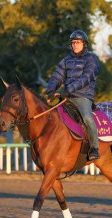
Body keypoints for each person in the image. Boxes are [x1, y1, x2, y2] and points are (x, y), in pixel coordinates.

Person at [46, 29, 100, 160]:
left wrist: (68, 89)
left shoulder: (91, 60)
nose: (75, 45)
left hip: (83, 97)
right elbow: (57, 76)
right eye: (73, 43)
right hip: (67, 96)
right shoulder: (66, 60)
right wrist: (50, 89)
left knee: (87, 119)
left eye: (78, 42)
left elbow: (86, 78)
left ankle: (94, 148)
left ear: (84, 44)